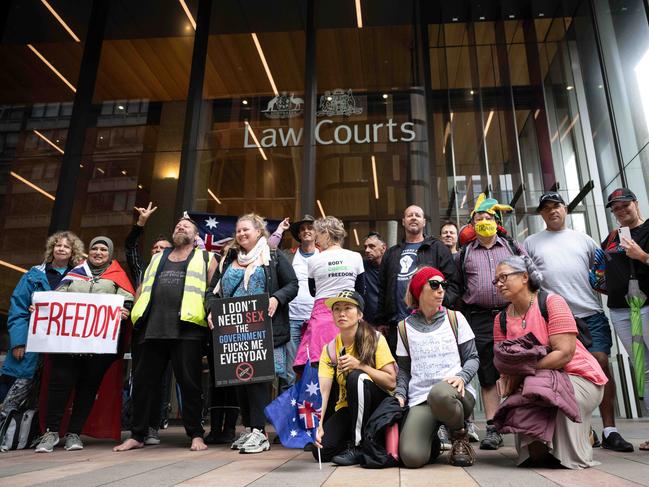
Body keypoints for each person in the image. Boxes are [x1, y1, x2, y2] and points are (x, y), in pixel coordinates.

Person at [525, 191, 633, 452]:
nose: (553, 211)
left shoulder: (584, 240)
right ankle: (578, 427)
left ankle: (610, 430)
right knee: (561, 371)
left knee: (601, 363)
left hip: (590, 314)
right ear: (541, 214)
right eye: (547, 208)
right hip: (554, 318)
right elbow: (528, 283)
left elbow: (602, 275)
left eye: (557, 206)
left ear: (565, 209)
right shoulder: (530, 242)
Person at [114, 217, 217, 452]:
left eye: (186, 226)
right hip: (152, 329)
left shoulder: (207, 258)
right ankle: (137, 434)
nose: (180, 227)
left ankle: (196, 435)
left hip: (187, 330)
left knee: (190, 385)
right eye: (178, 225)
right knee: (143, 385)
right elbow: (142, 287)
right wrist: (131, 310)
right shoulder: (158, 257)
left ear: (195, 234)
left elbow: (213, 291)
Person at [494, 255, 607, 469]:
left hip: (578, 377)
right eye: (496, 280)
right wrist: (509, 381)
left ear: (525, 277)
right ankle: (558, 440)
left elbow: (564, 353)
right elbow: (505, 363)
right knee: (536, 458)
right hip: (534, 380)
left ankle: (579, 441)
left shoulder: (551, 302)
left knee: (548, 391)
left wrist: (523, 369)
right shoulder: (500, 319)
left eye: (504, 277)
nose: (498, 283)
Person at [205, 213, 298, 454]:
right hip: (232, 329)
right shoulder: (228, 258)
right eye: (238, 231)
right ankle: (249, 429)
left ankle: (260, 431)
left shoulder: (274, 256)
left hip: (263, 329)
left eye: (246, 229)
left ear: (259, 232)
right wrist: (211, 310)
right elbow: (212, 292)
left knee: (258, 379)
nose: (241, 234)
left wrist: (277, 298)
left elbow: (292, 284)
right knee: (239, 379)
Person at [35, 236, 135, 453]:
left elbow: (127, 299)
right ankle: (50, 433)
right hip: (66, 344)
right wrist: (41, 309)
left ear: (110, 254)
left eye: (103, 249)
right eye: (94, 249)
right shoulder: (74, 274)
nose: (98, 252)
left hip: (97, 347)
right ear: (88, 252)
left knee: (87, 389)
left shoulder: (117, 276)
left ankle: (74, 433)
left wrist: (124, 310)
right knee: (59, 385)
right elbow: (56, 299)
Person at [455, 193, 524, 450]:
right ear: (472, 226)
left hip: (513, 313)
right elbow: (458, 287)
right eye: (478, 218)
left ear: (497, 221)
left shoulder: (512, 247)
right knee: (486, 372)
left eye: (488, 217)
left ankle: (523, 422)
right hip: (480, 318)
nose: (484, 221)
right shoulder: (463, 254)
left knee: (519, 365)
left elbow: (532, 275)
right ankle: (493, 428)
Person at [396, 267, 479, 468]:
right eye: (434, 285)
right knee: (412, 458)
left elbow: (473, 358)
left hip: (455, 394)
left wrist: (462, 376)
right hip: (421, 398)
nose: (441, 290)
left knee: (439, 394)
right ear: (418, 290)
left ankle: (460, 437)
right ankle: (431, 440)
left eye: (443, 285)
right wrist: (399, 394)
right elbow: (404, 370)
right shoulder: (403, 327)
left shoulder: (455, 318)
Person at [0, 231, 84, 408]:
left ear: (73, 252)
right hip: (30, 345)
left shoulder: (78, 279)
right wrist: (18, 343)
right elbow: (18, 310)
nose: (61, 249)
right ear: (52, 249)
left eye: (66, 246)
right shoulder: (32, 275)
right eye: (58, 245)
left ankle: (37, 434)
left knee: (46, 400)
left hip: (60, 347)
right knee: (13, 399)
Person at [314, 290, 396, 466]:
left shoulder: (375, 339)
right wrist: (319, 425)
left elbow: (391, 382)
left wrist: (360, 365)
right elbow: (324, 392)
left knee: (356, 377)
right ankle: (360, 439)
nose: (341, 313)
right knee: (320, 451)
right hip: (348, 408)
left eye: (348, 308)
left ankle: (358, 446)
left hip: (376, 405)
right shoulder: (329, 349)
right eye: (337, 309)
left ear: (360, 314)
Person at [602, 188, 649, 450]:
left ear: (636, 203)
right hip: (620, 310)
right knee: (644, 370)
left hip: (645, 306)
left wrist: (641, 255)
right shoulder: (612, 237)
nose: (621, 211)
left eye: (625, 205)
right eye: (615, 208)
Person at [378, 205, 460, 353]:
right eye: (410, 215)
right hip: (398, 325)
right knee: (402, 371)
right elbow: (382, 289)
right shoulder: (391, 253)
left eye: (417, 215)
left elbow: (453, 284)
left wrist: (439, 307)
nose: (414, 217)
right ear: (403, 222)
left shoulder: (438, 248)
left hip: (431, 323)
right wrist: (382, 320)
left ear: (424, 222)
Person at [124, 201, 173, 444]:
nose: (157, 250)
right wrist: (141, 223)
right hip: (143, 330)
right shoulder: (143, 269)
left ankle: (154, 425)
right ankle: (138, 427)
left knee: (161, 380)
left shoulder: (179, 270)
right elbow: (130, 247)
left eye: (163, 248)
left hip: (166, 330)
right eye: (154, 247)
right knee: (142, 380)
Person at [294, 216, 364, 370]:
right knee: (350, 364)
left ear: (326, 233)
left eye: (318, 233)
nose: (316, 238)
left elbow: (313, 291)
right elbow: (360, 291)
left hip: (321, 318)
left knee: (321, 366)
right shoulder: (356, 257)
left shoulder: (314, 260)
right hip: (349, 315)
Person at [282, 215, 319, 387]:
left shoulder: (324, 255)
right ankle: (288, 413)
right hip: (291, 318)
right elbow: (268, 252)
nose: (306, 231)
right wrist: (279, 231)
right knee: (289, 372)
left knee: (315, 369)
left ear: (317, 232)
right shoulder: (288, 256)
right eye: (302, 229)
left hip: (316, 320)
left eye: (310, 228)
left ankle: (313, 411)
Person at [362, 231, 387, 328]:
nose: (367, 250)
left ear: (383, 248)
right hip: (368, 324)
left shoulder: (392, 266)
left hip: (389, 324)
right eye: (365, 247)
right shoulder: (361, 266)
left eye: (372, 246)